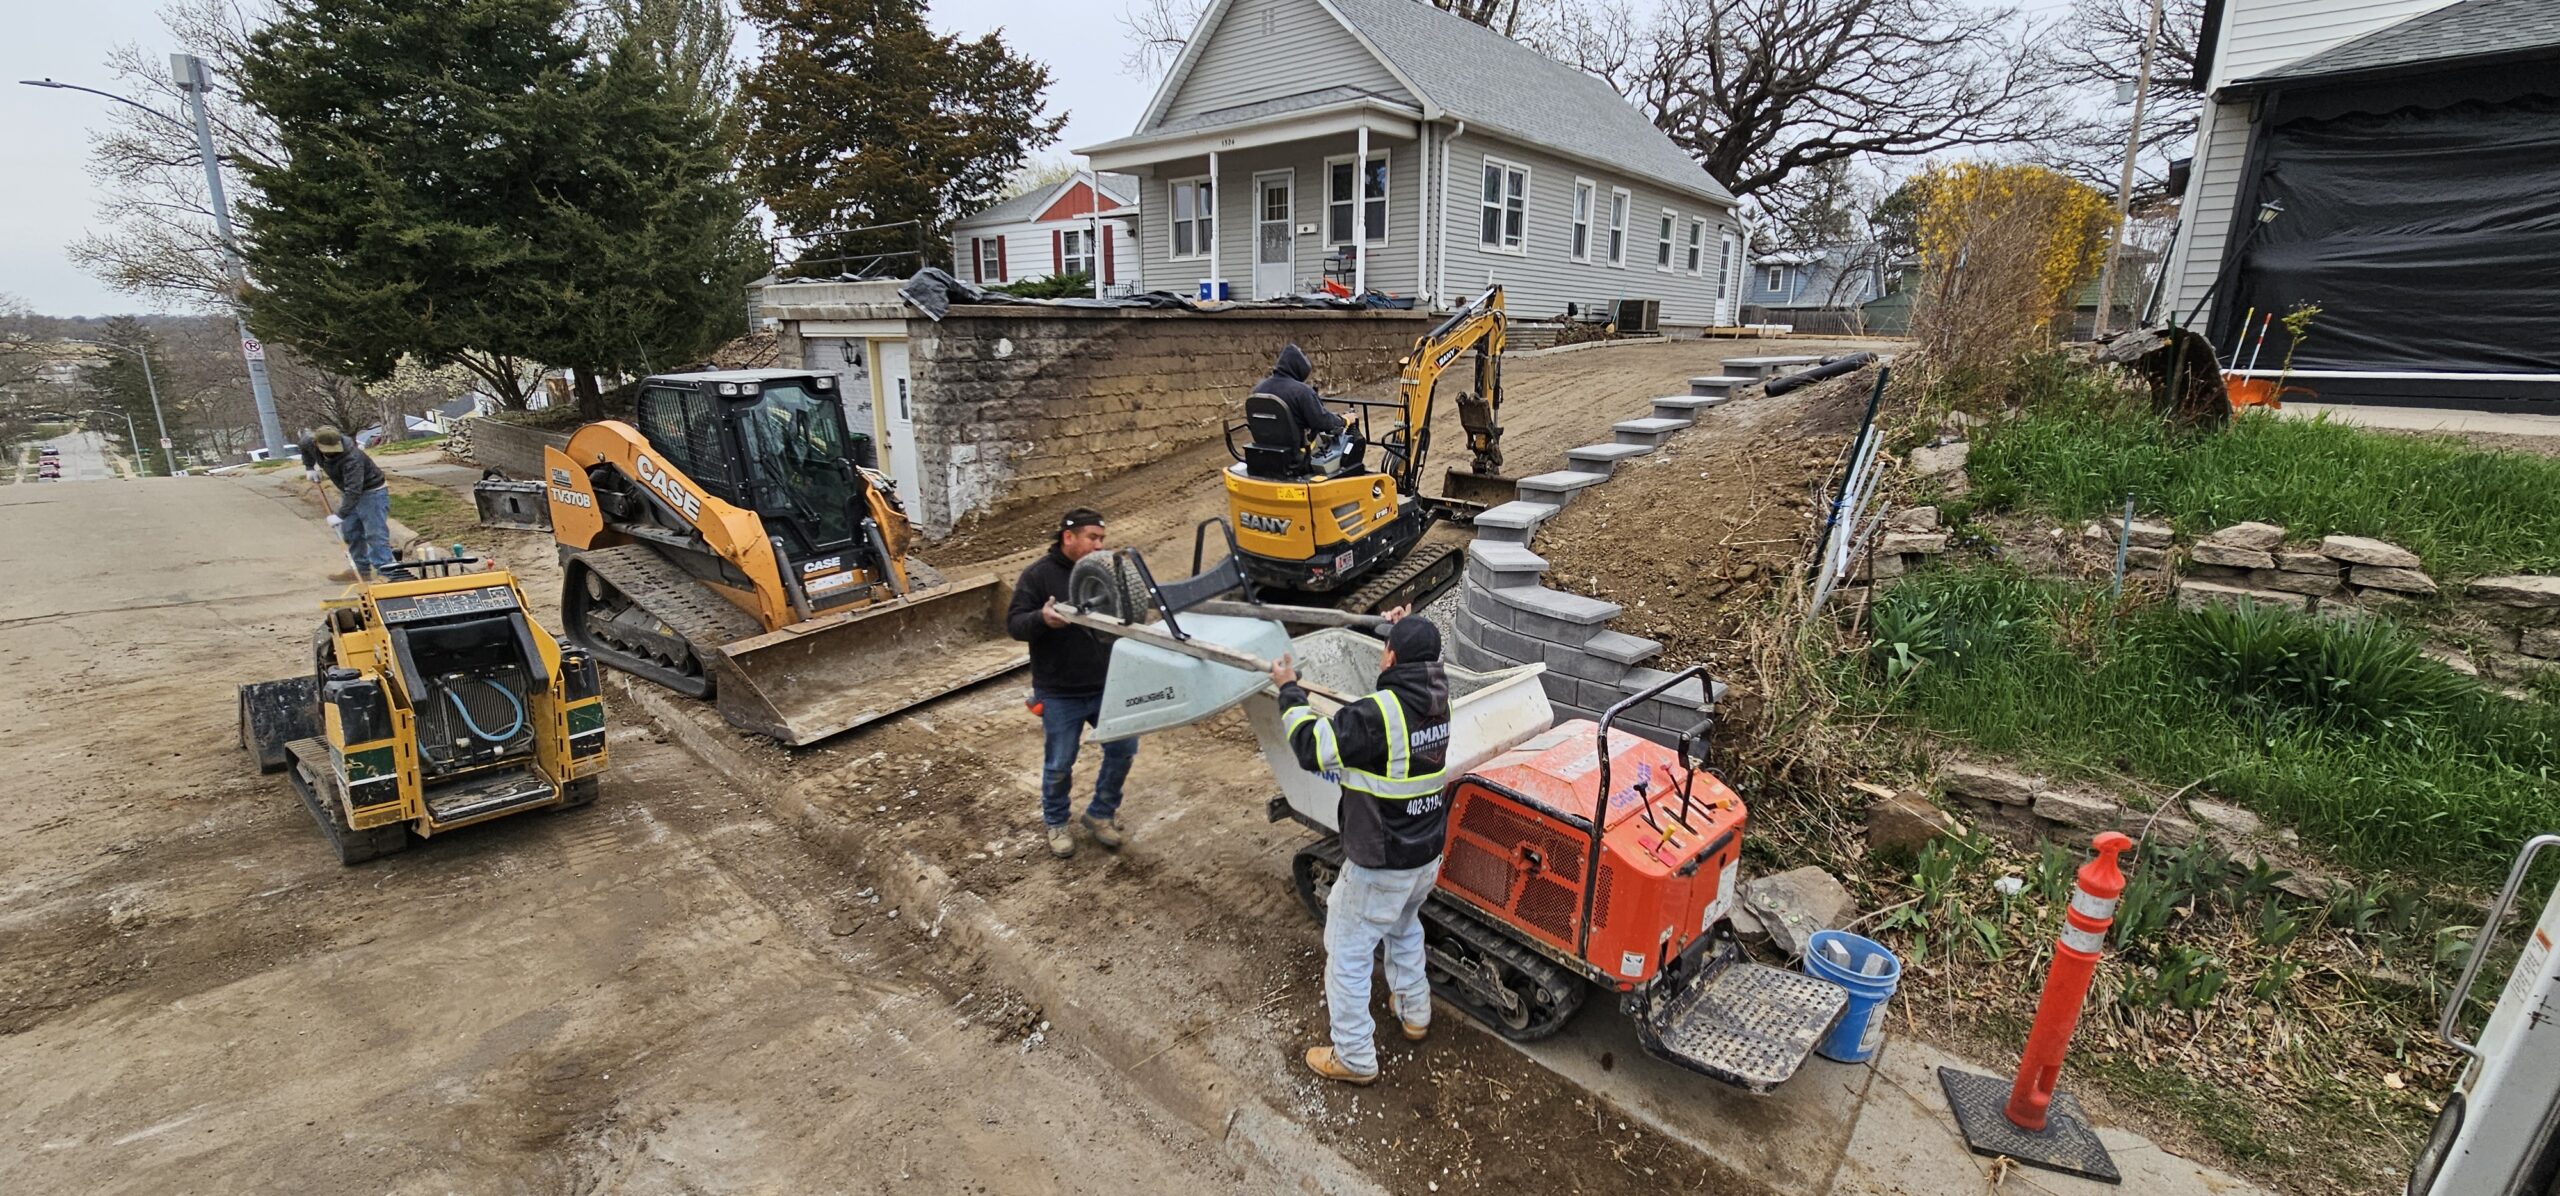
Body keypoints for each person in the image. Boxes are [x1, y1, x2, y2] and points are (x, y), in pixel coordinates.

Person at [1268, 610, 1450, 1086]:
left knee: (1346, 951)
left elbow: (1311, 747)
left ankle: (1354, 1056)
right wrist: (1398, 628)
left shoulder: (1378, 713)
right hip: (1425, 855)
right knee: (1404, 927)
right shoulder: (1438, 698)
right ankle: (1414, 1013)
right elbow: (1413, 651)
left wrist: (1290, 690)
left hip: (1383, 861)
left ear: (1389, 657)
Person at [1005, 508, 1137, 859]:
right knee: (1060, 763)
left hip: (1105, 684)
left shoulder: (1104, 571)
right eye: (1093, 538)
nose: (1099, 545)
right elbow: (1015, 623)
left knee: (1123, 749)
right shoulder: (1038, 576)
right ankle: (1057, 823)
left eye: (1102, 539)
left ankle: (1100, 813)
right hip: (1059, 690)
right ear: (1069, 537)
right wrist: (1043, 619)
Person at [300, 426, 394, 580]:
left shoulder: (352, 457)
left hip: (372, 492)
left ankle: (387, 572)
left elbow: (354, 491)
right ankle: (360, 571)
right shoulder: (309, 442)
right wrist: (309, 467)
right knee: (350, 531)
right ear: (316, 443)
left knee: (375, 533)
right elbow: (303, 446)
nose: (332, 452)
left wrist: (340, 514)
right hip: (349, 492)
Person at [1254, 344, 1342, 441]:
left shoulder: (1258, 388)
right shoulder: (1303, 392)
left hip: (1264, 446)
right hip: (1295, 449)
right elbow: (1321, 421)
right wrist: (1342, 420)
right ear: (1300, 371)